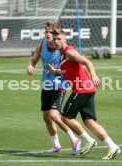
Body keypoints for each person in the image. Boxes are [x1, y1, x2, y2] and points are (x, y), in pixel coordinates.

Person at [48, 28, 121, 160]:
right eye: (54, 39)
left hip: (82, 89)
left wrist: (93, 75)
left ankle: (88, 140)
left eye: (59, 39)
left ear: (65, 39)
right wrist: (55, 71)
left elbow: (87, 62)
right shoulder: (63, 55)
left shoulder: (69, 52)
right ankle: (112, 146)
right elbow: (67, 72)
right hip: (86, 89)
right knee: (89, 122)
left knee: (65, 117)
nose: (56, 41)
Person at [27, 21, 81, 155]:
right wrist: (31, 65)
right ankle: (56, 145)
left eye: (50, 32)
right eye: (46, 32)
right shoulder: (41, 45)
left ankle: (75, 140)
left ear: (56, 33)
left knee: (54, 115)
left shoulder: (62, 48)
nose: (47, 34)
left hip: (60, 83)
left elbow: (75, 63)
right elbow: (34, 58)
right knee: (46, 116)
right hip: (46, 84)